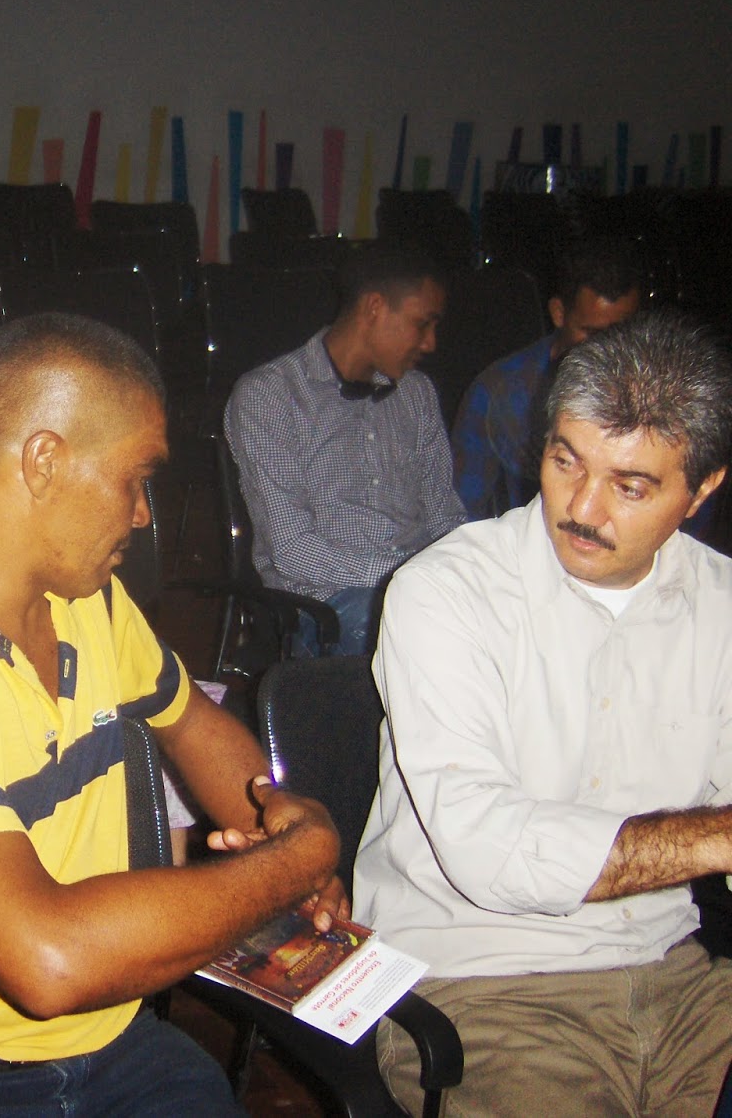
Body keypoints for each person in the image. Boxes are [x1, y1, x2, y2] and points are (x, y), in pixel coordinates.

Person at [0, 313, 343, 1115]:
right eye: (135, 479)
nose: (144, 515)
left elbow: (190, 721)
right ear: (44, 460)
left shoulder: (88, 601)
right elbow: (47, 960)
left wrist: (269, 815)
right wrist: (293, 864)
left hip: (111, 1039)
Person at [354, 312, 732, 1117]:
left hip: (678, 974)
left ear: (702, 490)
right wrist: (715, 838)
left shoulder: (723, 605)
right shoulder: (446, 592)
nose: (582, 508)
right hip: (484, 986)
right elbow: (488, 851)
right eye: (567, 461)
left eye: (630, 487)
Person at [224, 242, 466, 655]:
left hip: (424, 592)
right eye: (422, 324)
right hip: (325, 604)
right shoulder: (270, 395)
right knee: (421, 638)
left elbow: (445, 516)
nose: (430, 343)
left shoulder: (418, 394)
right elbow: (292, 549)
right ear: (374, 308)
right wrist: (407, 577)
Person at [451, 238, 642, 519]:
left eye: (621, 333)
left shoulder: (662, 393)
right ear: (559, 313)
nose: (608, 348)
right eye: (591, 333)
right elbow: (464, 508)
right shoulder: (498, 393)